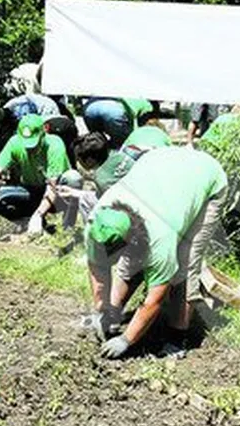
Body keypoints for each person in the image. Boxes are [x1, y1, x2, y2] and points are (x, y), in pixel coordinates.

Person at [84, 147, 227, 359]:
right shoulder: (97, 223)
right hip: (159, 163)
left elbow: (154, 300)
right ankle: (112, 315)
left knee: (184, 266)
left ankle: (178, 336)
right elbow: (97, 268)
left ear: (132, 238)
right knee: (129, 266)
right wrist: (101, 309)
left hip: (204, 176)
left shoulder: (160, 235)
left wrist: (126, 340)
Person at [0, 114, 76, 234]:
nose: (30, 148)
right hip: (31, 190)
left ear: (43, 132)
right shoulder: (15, 142)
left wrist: (39, 215)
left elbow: (52, 188)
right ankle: (24, 220)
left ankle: (67, 227)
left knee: (73, 178)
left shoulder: (55, 145)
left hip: (58, 196)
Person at [82, 97, 152, 149]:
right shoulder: (147, 105)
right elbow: (140, 128)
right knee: (122, 144)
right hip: (114, 111)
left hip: (89, 108)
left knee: (96, 141)